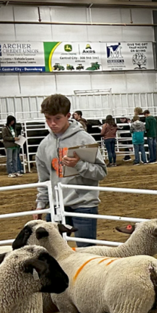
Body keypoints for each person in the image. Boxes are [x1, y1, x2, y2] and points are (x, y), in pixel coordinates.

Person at [35, 94, 107, 244]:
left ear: (68, 116)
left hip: (84, 204)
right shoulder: (44, 145)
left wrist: (79, 165)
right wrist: (41, 204)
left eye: (57, 118)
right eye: (48, 118)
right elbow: (44, 179)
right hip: (56, 206)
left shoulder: (84, 139)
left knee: (86, 251)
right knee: (53, 251)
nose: (52, 123)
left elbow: (101, 172)